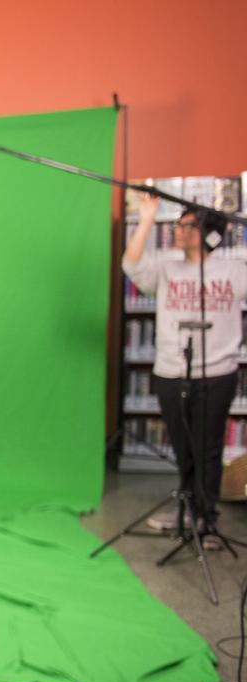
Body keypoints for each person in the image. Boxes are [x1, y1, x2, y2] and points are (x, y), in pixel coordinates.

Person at [124, 194, 236, 548]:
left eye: (187, 226)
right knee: (184, 448)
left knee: (208, 449)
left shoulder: (234, 271)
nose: (178, 231)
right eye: (179, 225)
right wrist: (146, 218)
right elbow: (131, 263)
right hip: (171, 373)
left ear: (208, 233)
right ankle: (187, 511)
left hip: (216, 374)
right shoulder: (165, 267)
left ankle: (207, 519)